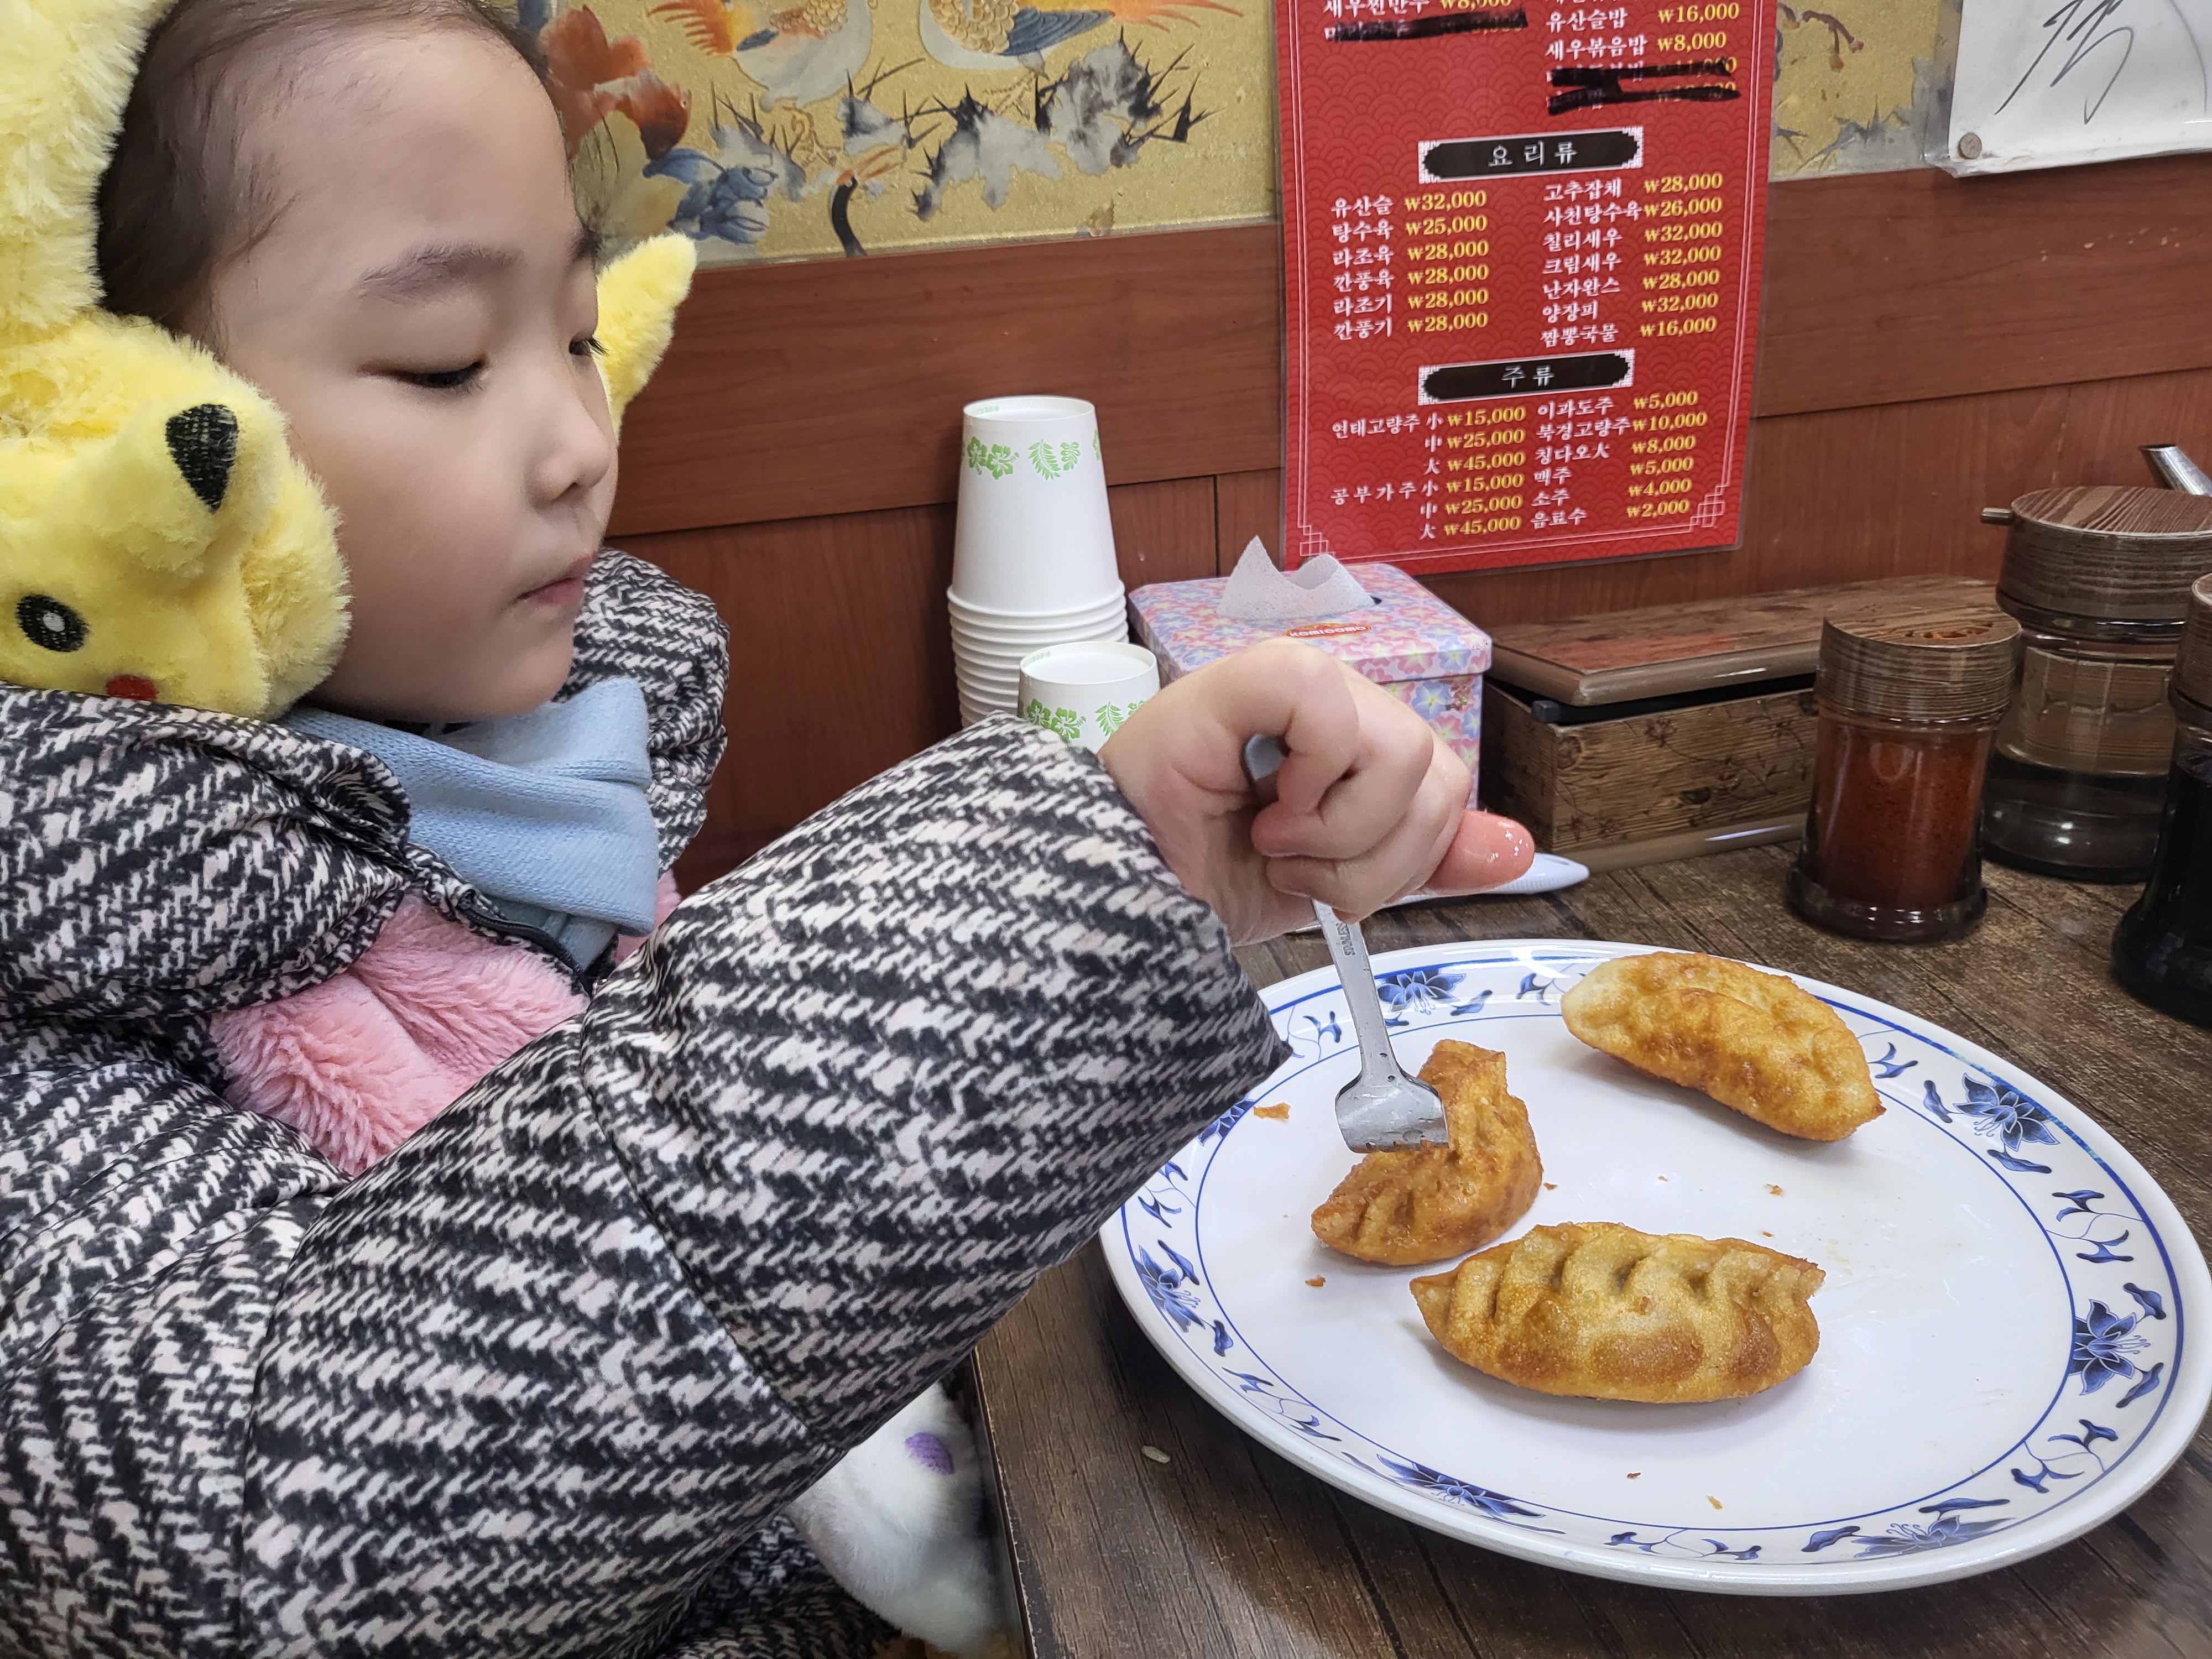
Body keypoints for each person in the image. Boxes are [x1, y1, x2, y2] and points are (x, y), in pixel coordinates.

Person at [0, 0, 1535, 1651]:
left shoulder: (545, 788)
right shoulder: (62, 955)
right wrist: (1044, 913)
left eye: (577, 335)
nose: (582, 446)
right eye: (445, 360)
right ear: (77, 423)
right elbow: (245, 1548)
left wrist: (1135, 878)